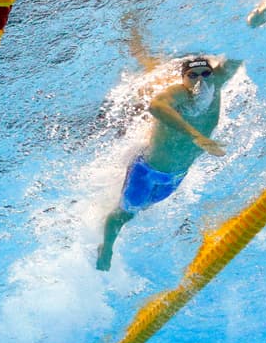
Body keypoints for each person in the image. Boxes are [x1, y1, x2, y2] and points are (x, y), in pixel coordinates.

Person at [96, 53, 244, 271]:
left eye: (205, 74)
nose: (200, 80)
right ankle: (106, 247)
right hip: (145, 171)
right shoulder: (180, 94)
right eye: (192, 76)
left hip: (175, 178)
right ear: (183, 79)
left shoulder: (215, 86)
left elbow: (237, 54)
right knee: (124, 214)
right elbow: (156, 106)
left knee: (141, 209)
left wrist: (261, 20)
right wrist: (196, 135)